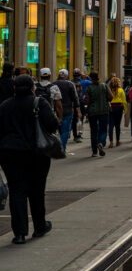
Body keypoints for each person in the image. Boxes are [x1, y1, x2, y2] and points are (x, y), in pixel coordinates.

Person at [0, 75, 58, 244]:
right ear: (32, 87)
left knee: (17, 191)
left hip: (10, 154)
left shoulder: (5, 106)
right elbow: (52, 124)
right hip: (36, 153)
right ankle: (40, 226)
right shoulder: (39, 103)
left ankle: (19, 233)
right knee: (37, 190)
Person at [82, 72, 111, 157]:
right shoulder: (104, 86)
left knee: (94, 131)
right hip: (104, 110)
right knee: (103, 129)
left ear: (91, 78)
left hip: (93, 112)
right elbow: (111, 97)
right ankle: (101, 143)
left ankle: (94, 152)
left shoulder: (89, 88)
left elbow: (87, 101)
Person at [54, 69, 79, 152]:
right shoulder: (70, 84)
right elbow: (75, 98)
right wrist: (77, 109)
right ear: (67, 75)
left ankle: (61, 146)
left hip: (57, 110)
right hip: (68, 110)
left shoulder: (53, 84)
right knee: (65, 130)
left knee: (60, 129)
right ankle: (62, 148)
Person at [107, 76, 126, 147]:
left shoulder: (109, 90)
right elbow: (124, 100)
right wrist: (125, 109)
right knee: (117, 125)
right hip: (119, 107)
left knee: (111, 125)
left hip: (111, 107)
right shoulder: (121, 90)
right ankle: (118, 141)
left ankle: (111, 142)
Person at [72, 68, 87, 142]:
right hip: (80, 102)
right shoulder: (82, 82)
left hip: (74, 103)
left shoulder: (71, 82)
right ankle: (79, 134)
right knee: (80, 118)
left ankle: (76, 135)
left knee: (74, 120)